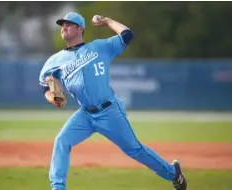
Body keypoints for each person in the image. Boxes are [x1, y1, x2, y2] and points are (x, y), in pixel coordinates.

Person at [39, 12, 187, 190]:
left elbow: (127, 34)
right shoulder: (54, 61)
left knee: (135, 150)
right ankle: (58, 187)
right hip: (85, 114)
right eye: (62, 25)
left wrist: (107, 21)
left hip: (109, 111)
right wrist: (52, 98)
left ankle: (173, 173)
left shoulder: (100, 47)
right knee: (62, 141)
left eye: (69, 24)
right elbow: (46, 88)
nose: (64, 27)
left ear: (80, 29)